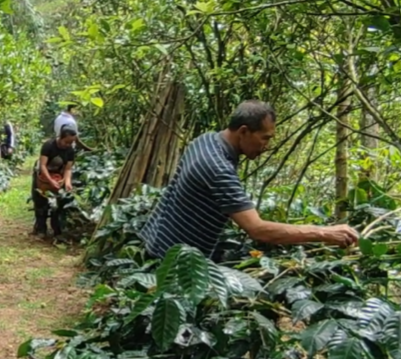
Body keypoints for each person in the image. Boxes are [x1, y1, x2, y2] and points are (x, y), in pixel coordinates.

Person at [139, 100, 359, 261]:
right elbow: (258, 229)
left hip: (159, 238)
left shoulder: (205, 140)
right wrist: (324, 233)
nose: (267, 146)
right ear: (243, 131)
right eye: (265, 138)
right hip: (171, 260)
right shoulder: (217, 168)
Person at [32, 127, 77, 239]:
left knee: (58, 204)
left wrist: (67, 182)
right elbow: (42, 165)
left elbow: (68, 169)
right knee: (40, 203)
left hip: (58, 176)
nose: (68, 145)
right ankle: (41, 229)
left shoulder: (70, 150)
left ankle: (57, 229)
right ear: (60, 138)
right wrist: (50, 180)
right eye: (66, 142)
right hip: (43, 175)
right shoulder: (49, 145)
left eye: (71, 142)